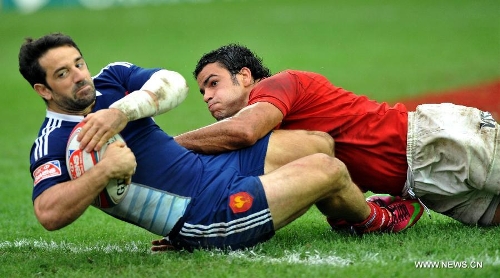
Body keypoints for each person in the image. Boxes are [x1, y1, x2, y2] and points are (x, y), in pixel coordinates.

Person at [20, 33, 423, 252]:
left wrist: (120, 112)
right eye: (62, 74)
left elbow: (172, 84)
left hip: (213, 170)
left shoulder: (111, 80)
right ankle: (374, 219)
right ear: (43, 88)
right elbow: (49, 214)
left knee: (315, 142)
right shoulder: (53, 141)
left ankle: (341, 213)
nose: (79, 76)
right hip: (205, 213)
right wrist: (103, 173)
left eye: (79, 63)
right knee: (329, 170)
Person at [167, 43, 500, 227]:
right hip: (425, 186)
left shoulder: (278, 85)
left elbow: (243, 130)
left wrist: (167, 146)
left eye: (214, 82)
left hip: (432, 140)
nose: (208, 96)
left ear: (244, 76)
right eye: (202, 92)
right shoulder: (276, 137)